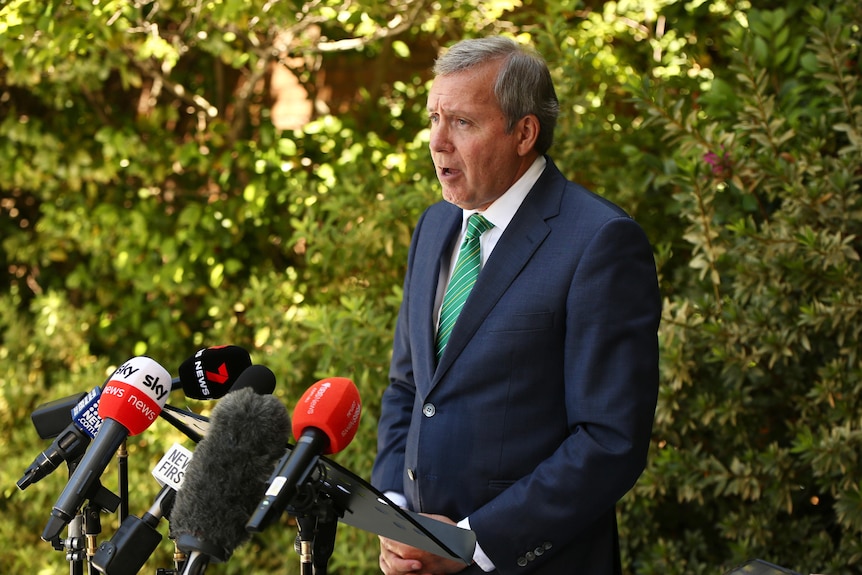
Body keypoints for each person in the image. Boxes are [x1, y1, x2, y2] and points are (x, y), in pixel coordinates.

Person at [371, 35, 661, 575]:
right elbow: (409, 388)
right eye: (434, 118)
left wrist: (470, 544)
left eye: (462, 123)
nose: (437, 142)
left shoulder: (600, 242)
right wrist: (395, 515)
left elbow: (609, 441)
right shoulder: (435, 225)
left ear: (524, 132)